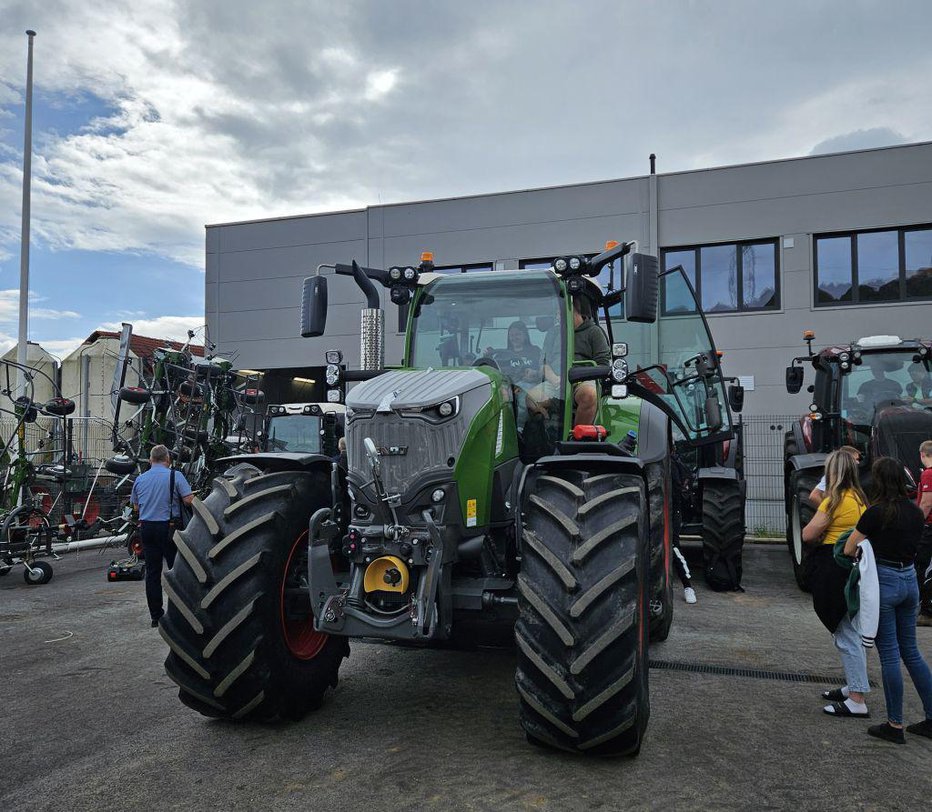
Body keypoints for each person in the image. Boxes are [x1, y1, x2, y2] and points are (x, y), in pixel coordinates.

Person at [844, 456, 932, 743]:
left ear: (878, 481)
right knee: (912, 652)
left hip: (883, 583)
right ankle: (931, 718)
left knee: (890, 654)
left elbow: (849, 548)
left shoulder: (876, 513)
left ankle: (895, 725)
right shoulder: (915, 512)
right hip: (909, 581)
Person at [802, 449, 870, 717]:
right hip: (853, 569)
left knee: (845, 635)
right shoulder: (860, 499)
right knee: (852, 630)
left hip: (833, 569)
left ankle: (857, 699)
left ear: (833, 472)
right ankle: (855, 686)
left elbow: (808, 534)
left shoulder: (833, 502)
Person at [131, 445, 194, 628]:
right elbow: (188, 500)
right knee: (177, 571)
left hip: (147, 528)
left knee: (152, 573)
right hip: (169, 529)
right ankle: (178, 613)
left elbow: (136, 507)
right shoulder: (175, 476)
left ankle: (156, 616)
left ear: (151, 460)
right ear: (168, 460)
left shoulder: (140, 479)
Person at [528, 295, 610, 426]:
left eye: (559, 313)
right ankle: (548, 431)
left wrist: (579, 376)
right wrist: (555, 379)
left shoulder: (594, 332)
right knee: (530, 398)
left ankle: (576, 438)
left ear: (574, 310)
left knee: (590, 395)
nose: (557, 317)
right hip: (554, 381)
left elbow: (602, 365)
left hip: (580, 382)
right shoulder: (553, 333)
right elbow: (543, 362)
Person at [916, 440, 932, 626]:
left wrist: (916, 523)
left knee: (921, 565)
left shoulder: (928, 474)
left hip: (928, 527)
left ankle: (926, 610)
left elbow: (927, 503)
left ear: (922, 455)